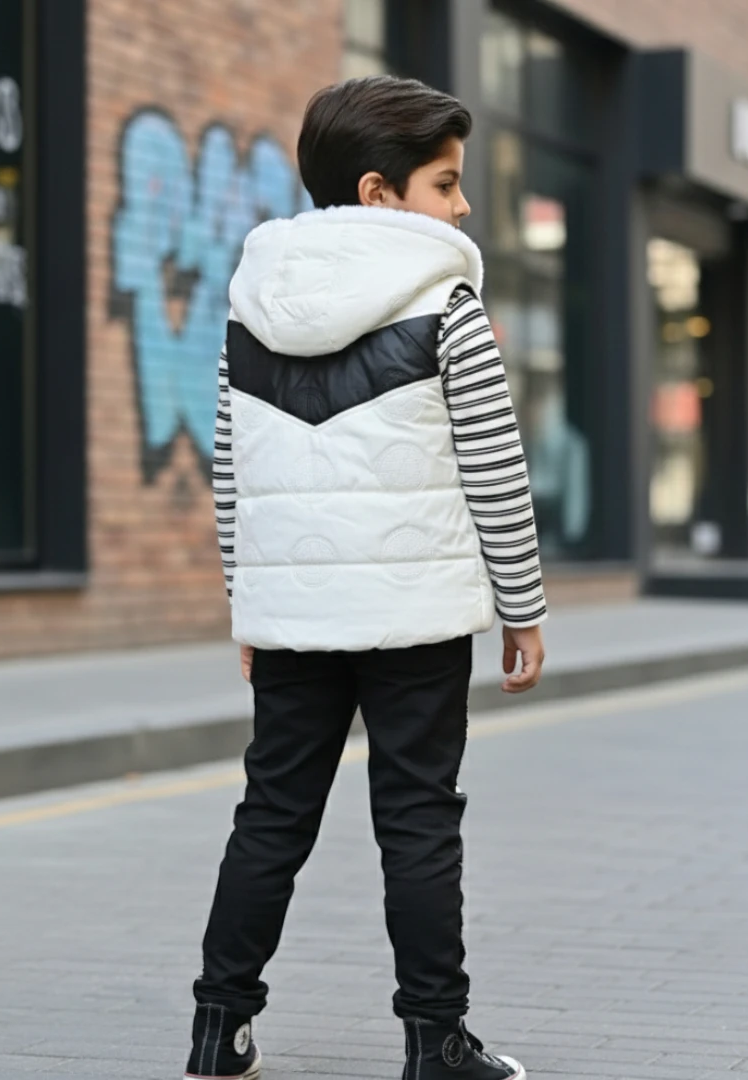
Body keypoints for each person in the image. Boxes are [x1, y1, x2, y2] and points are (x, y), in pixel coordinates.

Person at [185, 75, 547, 1080]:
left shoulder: (249, 309)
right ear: (383, 193)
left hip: (293, 618)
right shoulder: (450, 307)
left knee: (271, 813)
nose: (463, 206)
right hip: (417, 617)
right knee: (419, 817)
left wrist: (244, 607)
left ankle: (219, 1030)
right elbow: (495, 467)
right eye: (447, 183)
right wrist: (521, 606)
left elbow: (236, 472)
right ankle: (436, 1042)